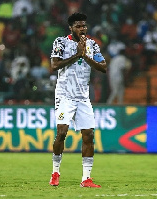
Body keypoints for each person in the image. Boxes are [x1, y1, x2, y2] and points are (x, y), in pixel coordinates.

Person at [49, 12, 107, 188]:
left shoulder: (92, 45)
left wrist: (85, 56)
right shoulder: (61, 42)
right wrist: (76, 55)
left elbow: (103, 67)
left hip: (83, 96)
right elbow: (54, 65)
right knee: (62, 132)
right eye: (78, 26)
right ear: (71, 27)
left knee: (88, 135)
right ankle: (55, 172)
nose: (82, 29)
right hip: (65, 94)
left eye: (84, 26)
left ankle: (86, 179)